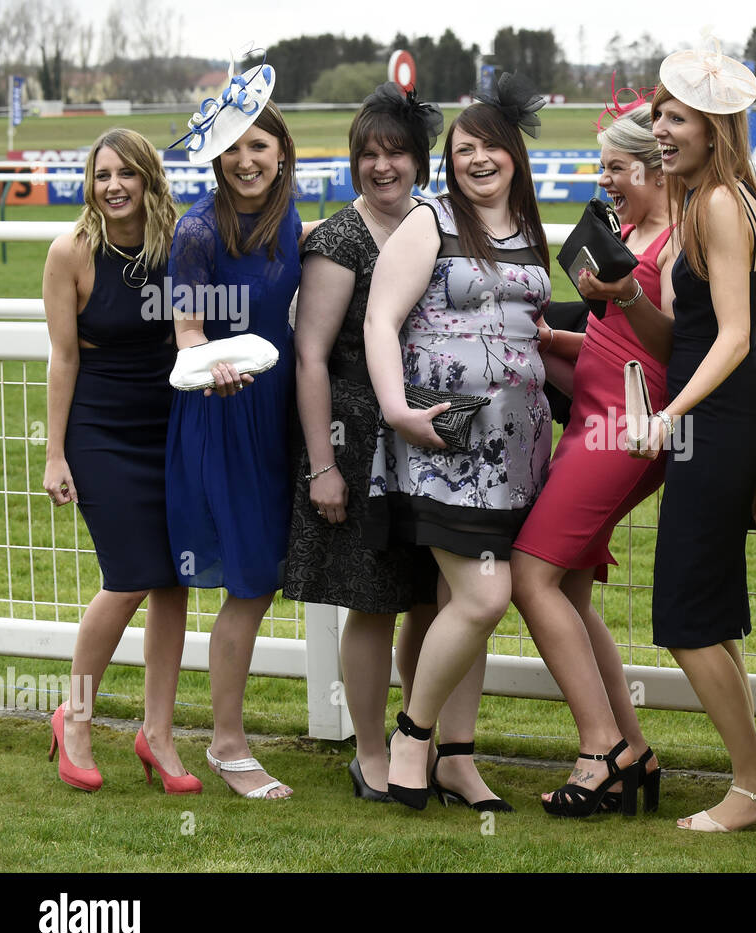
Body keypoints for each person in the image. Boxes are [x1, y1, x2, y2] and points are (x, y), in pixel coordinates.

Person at [283, 83, 507, 808]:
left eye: (396, 153)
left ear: (418, 160)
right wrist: (323, 464)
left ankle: (429, 743)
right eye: (368, 155)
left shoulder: (433, 222)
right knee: (372, 602)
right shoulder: (338, 240)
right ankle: (372, 750)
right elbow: (311, 356)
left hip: (429, 436)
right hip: (355, 438)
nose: (382, 167)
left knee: (430, 600)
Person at [363, 73, 552, 811]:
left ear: (513, 154)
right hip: (441, 439)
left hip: (516, 450)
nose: (476, 158)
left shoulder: (532, 231)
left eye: (489, 147)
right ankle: (414, 736)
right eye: (462, 148)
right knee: (482, 595)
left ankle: (459, 758)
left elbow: (528, 331)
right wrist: (393, 408)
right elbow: (382, 320)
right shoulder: (428, 221)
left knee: (455, 597)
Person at [629, 41, 756, 832]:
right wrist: (619, 296)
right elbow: (683, 332)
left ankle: (754, 785)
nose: (660, 128)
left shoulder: (721, 202)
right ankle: (754, 782)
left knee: (686, 615)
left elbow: (729, 337)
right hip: (710, 417)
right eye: (658, 113)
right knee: (710, 611)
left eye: (677, 116)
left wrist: (669, 415)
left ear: (715, 127)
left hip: (716, 421)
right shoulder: (704, 198)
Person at [511, 95, 672, 816]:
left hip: (626, 428)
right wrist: (554, 339)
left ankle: (599, 748)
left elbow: (671, 348)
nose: (604, 180)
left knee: (530, 574)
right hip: (593, 415)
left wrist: (630, 292)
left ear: (653, 164)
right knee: (568, 589)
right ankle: (631, 749)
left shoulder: (677, 240)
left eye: (616, 167)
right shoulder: (632, 229)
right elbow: (614, 343)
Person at [166, 65, 313, 799]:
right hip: (222, 413)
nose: (246, 159)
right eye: (232, 150)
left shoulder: (288, 218)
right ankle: (226, 743)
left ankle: (214, 737)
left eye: (259, 145)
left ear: (281, 152)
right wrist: (213, 364)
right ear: (216, 161)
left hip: (277, 413)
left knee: (261, 578)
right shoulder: (195, 232)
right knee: (249, 582)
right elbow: (187, 336)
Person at [41, 129, 197, 794]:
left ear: (147, 179)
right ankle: (73, 716)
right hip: (100, 430)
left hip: (170, 424)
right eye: (101, 174)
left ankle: (157, 734)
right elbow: (64, 358)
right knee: (129, 577)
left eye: (126, 174)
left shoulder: (178, 242)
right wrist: (54, 453)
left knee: (173, 581)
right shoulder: (71, 251)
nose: (113, 186)